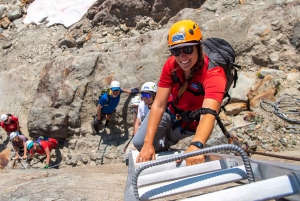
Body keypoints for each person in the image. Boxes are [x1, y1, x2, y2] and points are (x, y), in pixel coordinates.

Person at [133, 20, 227, 166]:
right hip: (171, 111)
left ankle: (170, 139)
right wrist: (148, 143)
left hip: (190, 122)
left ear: (198, 47)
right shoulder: (171, 65)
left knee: (183, 144)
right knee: (139, 143)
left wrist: (196, 146)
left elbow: (208, 113)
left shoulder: (213, 74)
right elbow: (158, 104)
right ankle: (162, 141)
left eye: (188, 49)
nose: (182, 57)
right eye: (176, 51)